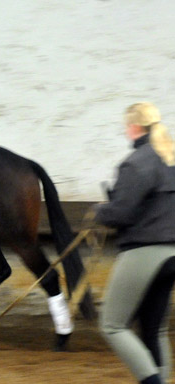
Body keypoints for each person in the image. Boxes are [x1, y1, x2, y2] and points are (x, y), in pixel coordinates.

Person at [94, 102, 175, 384]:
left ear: (134, 127)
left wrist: (100, 211)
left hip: (144, 251)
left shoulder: (135, 162)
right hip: (172, 253)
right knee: (155, 329)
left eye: (126, 126)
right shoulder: (170, 157)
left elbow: (121, 213)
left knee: (113, 325)